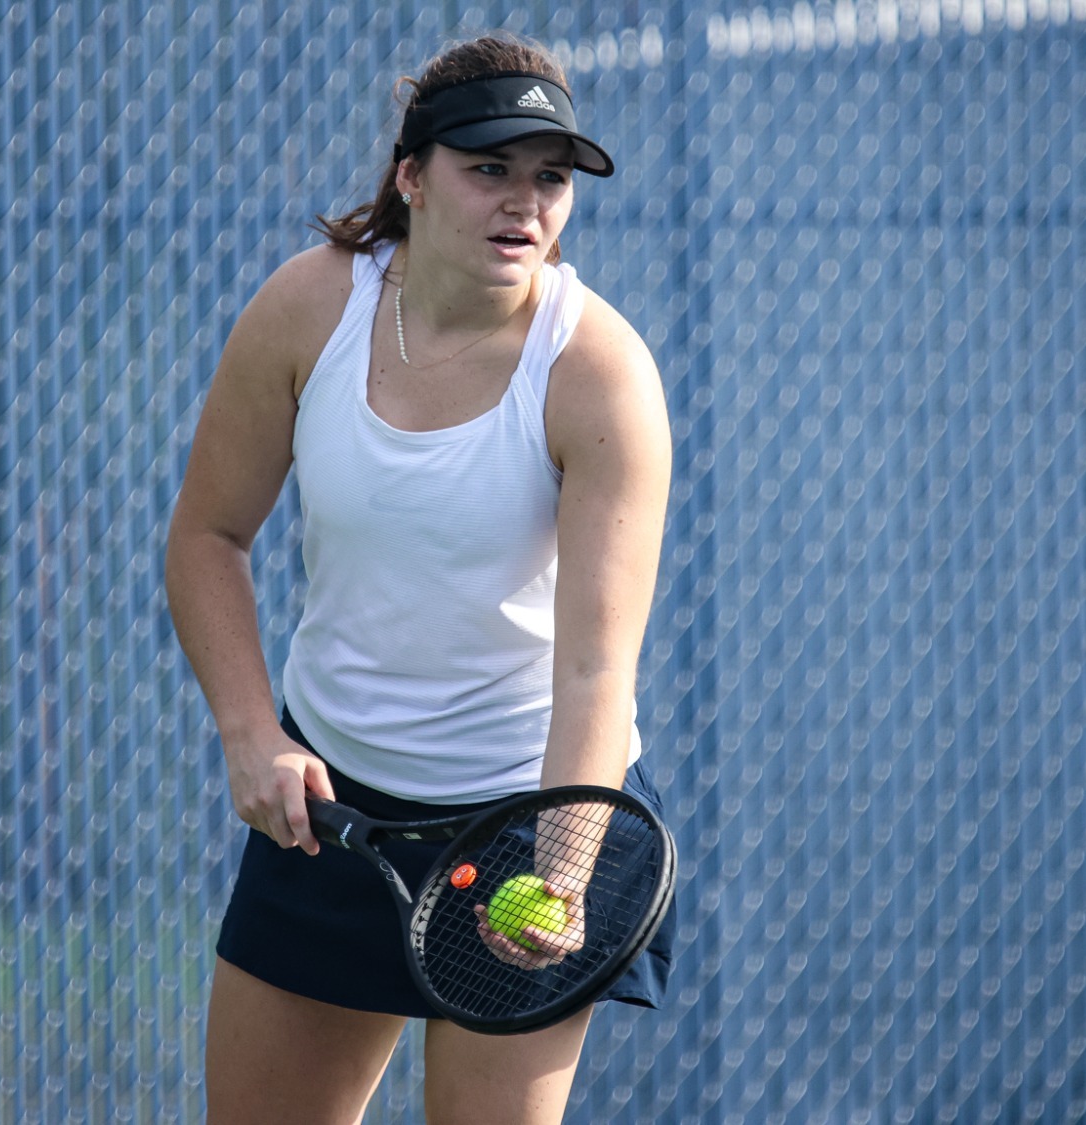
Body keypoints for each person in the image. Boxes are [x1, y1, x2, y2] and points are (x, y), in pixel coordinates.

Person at [164, 31, 673, 1125]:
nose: (522, 203)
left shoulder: (600, 376)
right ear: (411, 176)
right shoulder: (309, 311)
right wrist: (253, 735)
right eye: (487, 167)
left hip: (533, 821)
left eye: (549, 178)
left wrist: (564, 873)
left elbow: (596, 668)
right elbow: (206, 537)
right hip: (333, 811)